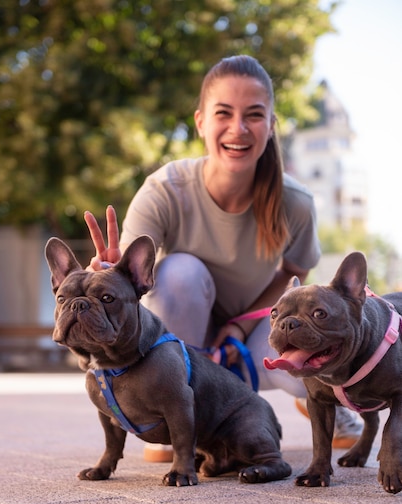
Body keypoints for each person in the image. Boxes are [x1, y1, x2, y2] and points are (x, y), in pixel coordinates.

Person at [85, 55, 362, 462]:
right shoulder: (165, 190)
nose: (238, 128)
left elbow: (294, 275)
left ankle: (324, 406)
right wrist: (110, 277)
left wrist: (235, 326)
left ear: (270, 126)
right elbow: (129, 279)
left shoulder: (296, 203)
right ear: (200, 122)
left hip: (250, 331)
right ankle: (180, 412)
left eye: (254, 115)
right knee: (179, 272)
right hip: (180, 336)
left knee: (305, 365)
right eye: (223, 113)